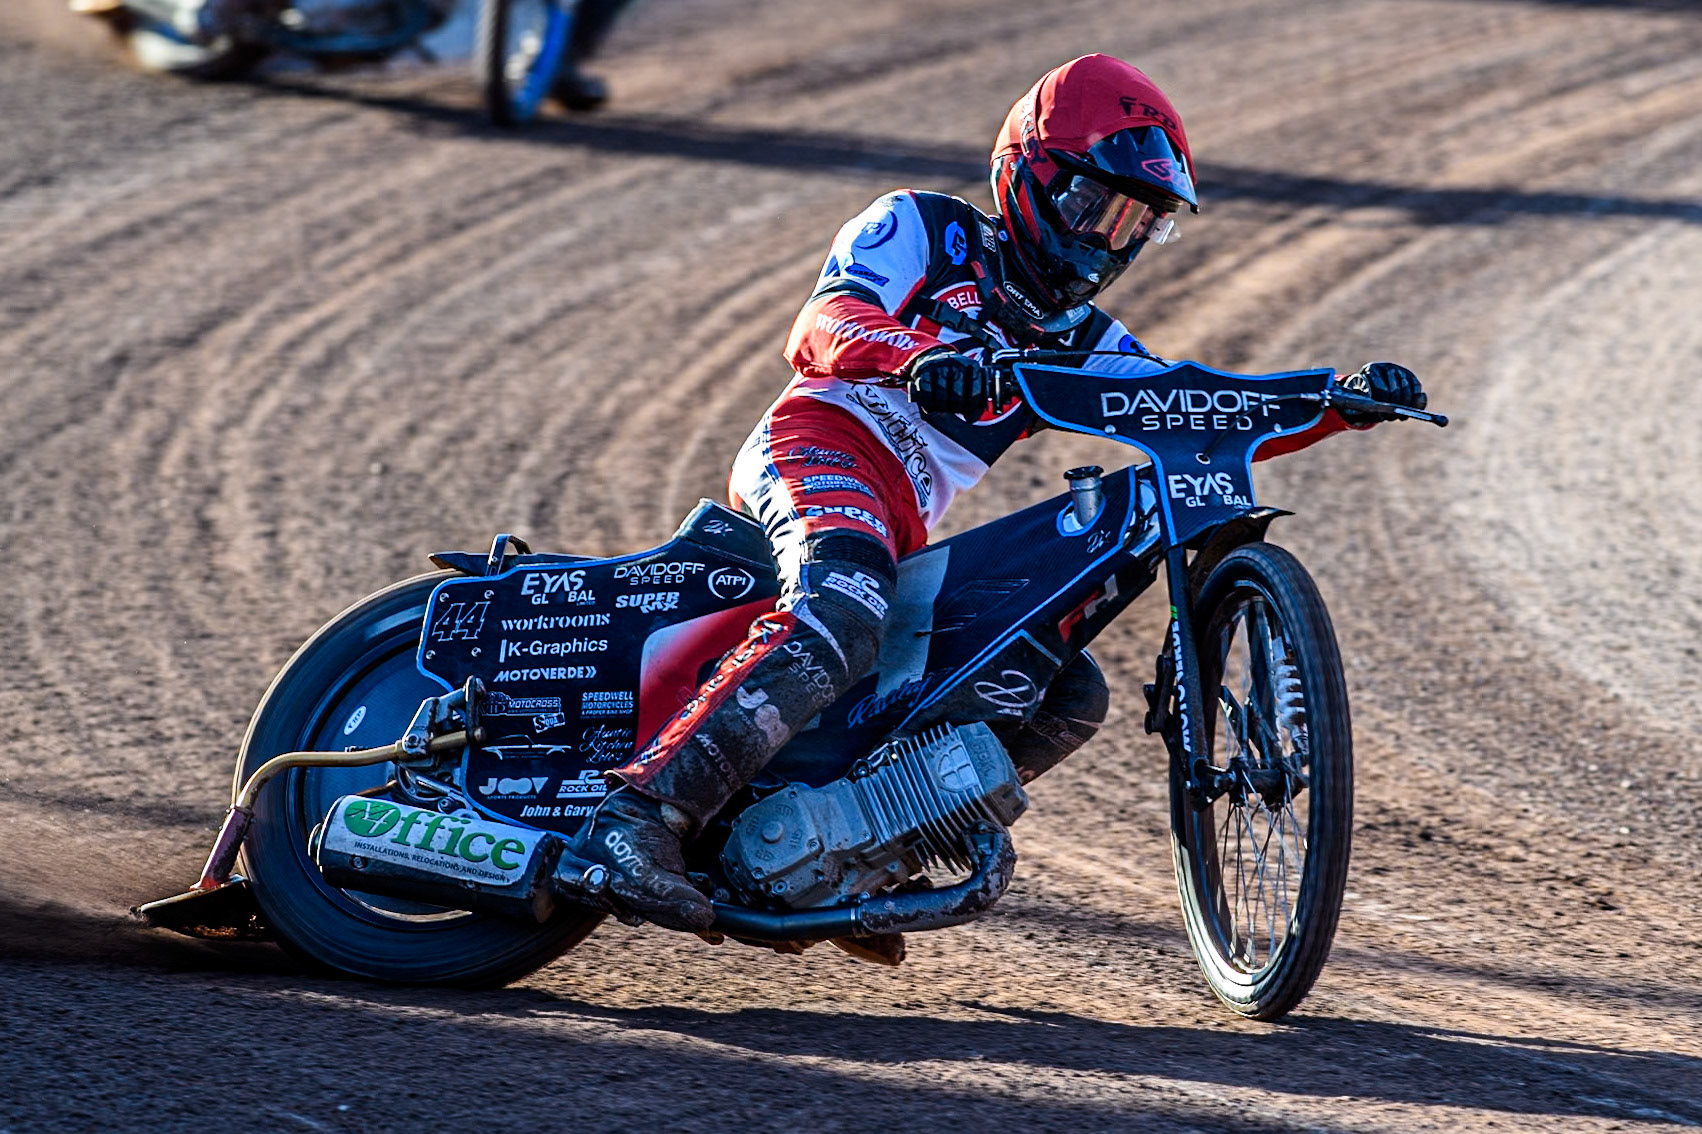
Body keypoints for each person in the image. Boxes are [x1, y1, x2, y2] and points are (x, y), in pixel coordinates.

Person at [579, 54, 1426, 945]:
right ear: (1029, 174)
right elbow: (821, 325)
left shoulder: (1083, 338)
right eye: (1095, 206)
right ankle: (640, 817)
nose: (1108, 239)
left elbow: (1189, 406)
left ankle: (864, 846)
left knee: (1066, 689)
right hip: (817, 447)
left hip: (899, 522)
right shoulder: (920, 227)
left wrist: (1336, 404)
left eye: (1136, 223)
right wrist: (914, 354)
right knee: (847, 601)